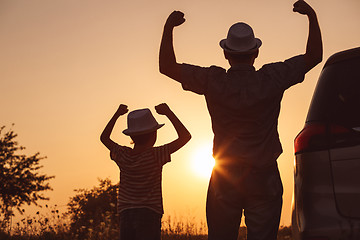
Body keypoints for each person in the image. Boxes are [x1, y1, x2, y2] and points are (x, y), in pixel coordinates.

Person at [159, 0, 322, 239]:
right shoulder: (272, 77)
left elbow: (167, 66)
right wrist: (311, 16)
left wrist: (168, 27)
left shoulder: (212, 80)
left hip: (225, 177)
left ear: (226, 53)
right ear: (256, 52)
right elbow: (314, 56)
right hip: (264, 175)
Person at [100, 103, 191, 240]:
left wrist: (117, 114)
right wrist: (168, 112)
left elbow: (104, 138)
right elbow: (185, 137)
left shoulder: (123, 155)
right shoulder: (156, 155)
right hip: (149, 213)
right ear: (154, 134)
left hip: (126, 213)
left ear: (132, 137)